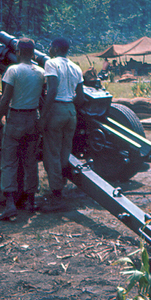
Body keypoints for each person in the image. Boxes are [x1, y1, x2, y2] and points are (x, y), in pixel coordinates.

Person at [0, 38, 45, 221]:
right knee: (30, 161)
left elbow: (5, 99)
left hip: (16, 118)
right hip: (33, 118)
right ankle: (31, 201)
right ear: (33, 52)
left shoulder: (12, 70)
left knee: (8, 162)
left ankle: (10, 205)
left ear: (18, 51)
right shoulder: (41, 72)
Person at [38, 37, 84, 212]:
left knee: (52, 153)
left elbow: (52, 90)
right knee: (65, 152)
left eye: (51, 47)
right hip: (70, 111)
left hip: (56, 109)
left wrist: (43, 116)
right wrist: (69, 106)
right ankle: (62, 185)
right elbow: (80, 97)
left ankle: (56, 194)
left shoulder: (51, 63)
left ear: (56, 48)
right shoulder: (76, 67)